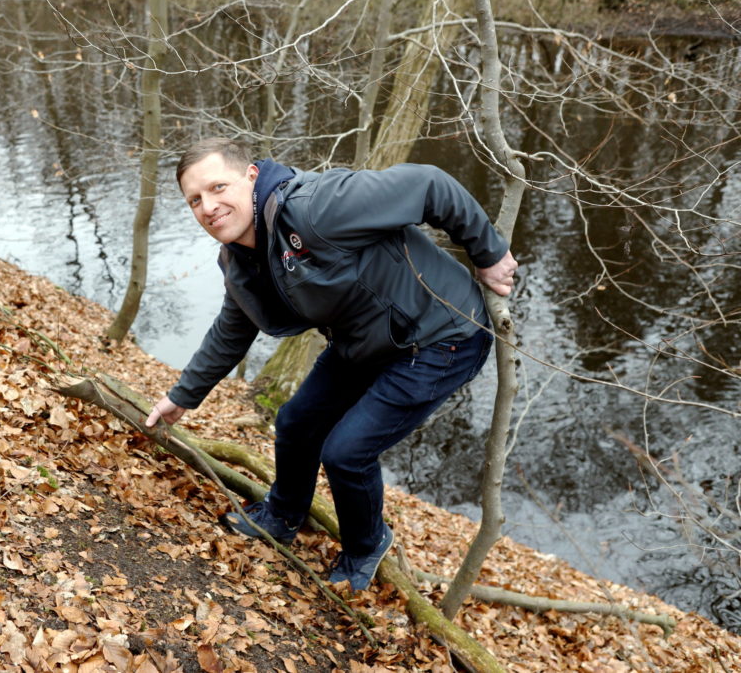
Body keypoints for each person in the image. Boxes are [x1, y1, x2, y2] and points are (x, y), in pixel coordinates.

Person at [145, 137, 518, 591]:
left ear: (251, 176)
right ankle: (283, 515)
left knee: (347, 452)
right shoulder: (241, 258)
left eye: (218, 187)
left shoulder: (316, 208)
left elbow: (429, 185)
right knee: (296, 421)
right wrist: (182, 397)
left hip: (441, 337)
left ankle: (366, 545)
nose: (209, 206)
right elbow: (232, 329)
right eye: (195, 200)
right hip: (365, 340)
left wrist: (490, 254)